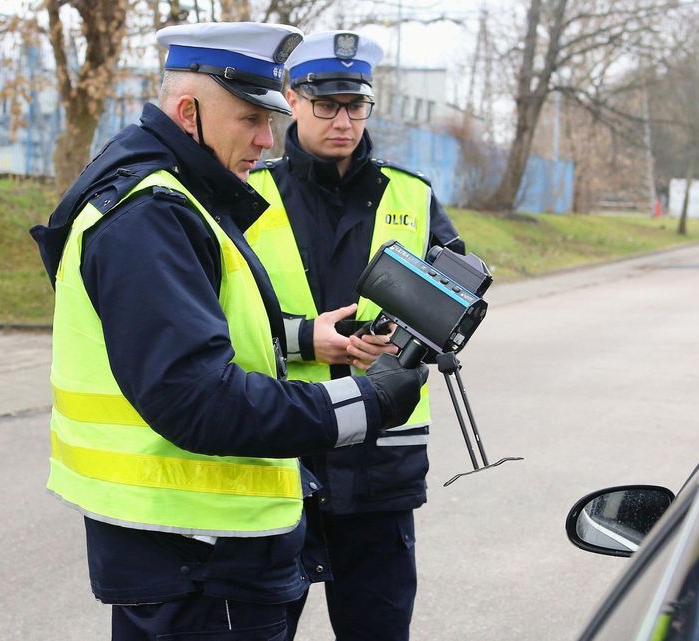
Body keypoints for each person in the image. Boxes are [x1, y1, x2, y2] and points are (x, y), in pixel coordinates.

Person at [28, 22, 428, 641]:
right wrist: (365, 402)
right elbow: (198, 396)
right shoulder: (154, 213)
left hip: (193, 549)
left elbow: (232, 344)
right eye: (250, 120)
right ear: (190, 113)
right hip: (201, 556)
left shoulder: (182, 197)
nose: (269, 141)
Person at [245, 30, 464, 641]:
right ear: (291, 98)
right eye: (326, 104)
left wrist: (400, 339)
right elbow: (214, 316)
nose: (344, 120)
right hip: (279, 456)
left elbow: (456, 307)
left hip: (380, 465)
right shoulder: (247, 195)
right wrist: (302, 340)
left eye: (356, 105)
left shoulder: (412, 195)